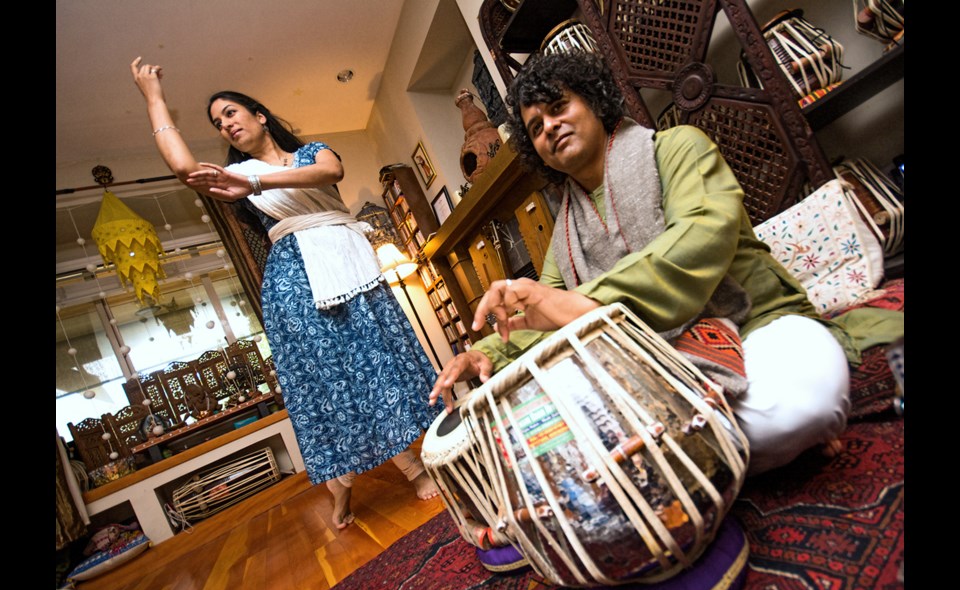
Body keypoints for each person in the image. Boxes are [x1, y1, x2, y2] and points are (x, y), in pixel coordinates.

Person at [429, 51, 903, 475]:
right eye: (535, 128)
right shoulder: (564, 237)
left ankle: (691, 461)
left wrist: (582, 303)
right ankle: (715, 455)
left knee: (797, 409)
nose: (549, 126)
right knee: (554, 442)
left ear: (594, 104)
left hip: (758, 323)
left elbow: (699, 241)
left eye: (559, 108)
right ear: (538, 153)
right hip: (663, 367)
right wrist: (486, 354)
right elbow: (540, 322)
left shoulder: (676, 147)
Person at [130, 57, 441, 529]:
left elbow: (327, 174)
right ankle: (395, 472)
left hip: (347, 263)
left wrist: (251, 180)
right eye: (218, 123)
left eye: (231, 113)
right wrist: (154, 98)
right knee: (336, 380)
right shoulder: (238, 180)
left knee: (381, 360)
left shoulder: (308, 153)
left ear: (259, 115)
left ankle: (356, 480)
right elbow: (182, 167)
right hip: (295, 281)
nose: (226, 125)